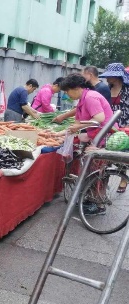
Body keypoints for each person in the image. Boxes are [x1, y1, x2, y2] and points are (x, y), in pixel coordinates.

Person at [60, 73, 116, 215]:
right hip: (95, 136)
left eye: (67, 91)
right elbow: (77, 122)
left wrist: (77, 128)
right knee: (89, 169)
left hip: (104, 137)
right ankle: (89, 198)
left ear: (77, 88)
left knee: (96, 171)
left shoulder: (90, 97)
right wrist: (61, 133)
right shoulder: (82, 99)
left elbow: (99, 118)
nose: (66, 94)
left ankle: (98, 205)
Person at [99, 62, 129, 192]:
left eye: (110, 75)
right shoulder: (107, 89)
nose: (107, 78)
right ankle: (104, 181)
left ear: (117, 76)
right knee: (108, 153)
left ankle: (123, 178)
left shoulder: (127, 89)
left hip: (124, 124)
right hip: (109, 124)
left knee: (122, 152)